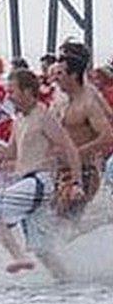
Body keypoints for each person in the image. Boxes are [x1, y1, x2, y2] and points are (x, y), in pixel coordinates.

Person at [0, 69, 82, 280]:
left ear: (27, 91)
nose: (9, 96)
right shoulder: (19, 119)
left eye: (12, 91)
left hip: (39, 182)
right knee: (42, 249)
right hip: (29, 183)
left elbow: (69, 148)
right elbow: (11, 152)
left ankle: (18, 257)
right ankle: (69, 284)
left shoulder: (43, 116)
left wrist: (76, 182)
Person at [49, 43, 113, 237]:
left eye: (61, 70)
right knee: (53, 221)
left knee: (57, 222)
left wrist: (79, 152)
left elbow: (108, 134)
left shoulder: (90, 98)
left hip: (83, 172)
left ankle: (100, 230)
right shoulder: (61, 97)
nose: (55, 75)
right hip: (59, 170)